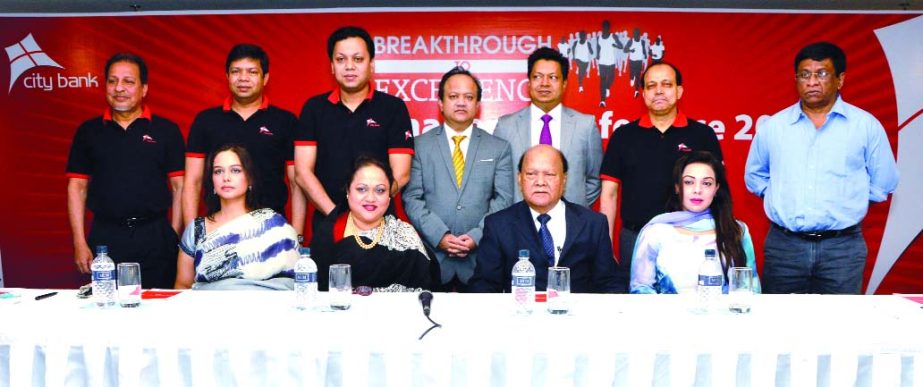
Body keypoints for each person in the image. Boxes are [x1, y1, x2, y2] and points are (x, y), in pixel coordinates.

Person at [745, 42, 899, 294]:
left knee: (839, 327)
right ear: (796, 80)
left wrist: (847, 200)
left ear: (840, 80)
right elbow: (754, 176)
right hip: (785, 247)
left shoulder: (865, 126)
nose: (812, 82)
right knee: (777, 325)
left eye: (822, 73)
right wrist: (782, 196)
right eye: (805, 74)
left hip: (842, 249)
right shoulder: (775, 126)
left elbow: (884, 182)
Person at [599, 62, 723, 293]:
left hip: (691, 239)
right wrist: (604, 248)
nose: (658, 91)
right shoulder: (624, 136)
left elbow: (718, 191)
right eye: (651, 85)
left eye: (666, 85)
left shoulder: (702, 135)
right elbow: (609, 194)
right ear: (643, 93)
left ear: (679, 91)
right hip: (635, 238)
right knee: (637, 309)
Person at [66, 53, 185, 289]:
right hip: (105, 239)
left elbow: (180, 186)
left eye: (128, 82)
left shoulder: (166, 131)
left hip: (155, 235)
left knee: (159, 309)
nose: (119, 88)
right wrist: (79, 242)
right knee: (109, 310)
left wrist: (173, 233)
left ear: (144, 89)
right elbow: (76, 187)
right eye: (112, 81)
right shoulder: (88, 132)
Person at [403, 67, 514, 292]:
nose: (461, 102)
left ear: (478, 105)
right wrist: (440, 235)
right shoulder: (419, 145)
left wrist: (476, 236)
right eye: (453, 96)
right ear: (441, 103)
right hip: (432, 259)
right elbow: (412, 198)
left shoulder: (498, 148)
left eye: (468, 97)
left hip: (480, 260)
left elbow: (503, 200)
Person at [295, 26, 414, 231]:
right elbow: (303, 172)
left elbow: (401, 174)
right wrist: (335, 215)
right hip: (329, 221)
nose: (349, 66)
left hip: (381, 223)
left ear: (372, 64)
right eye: (341, 60)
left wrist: (370, 209)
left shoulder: (393, 108)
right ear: (332, 66)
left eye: (358, 59)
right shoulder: (314, 108)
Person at [183, 44, 305, 238]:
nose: (243, 78)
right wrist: (193, 235)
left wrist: (297, 235)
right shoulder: (206, 121)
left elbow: (296, 182)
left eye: (252, 72)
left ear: (265, 78)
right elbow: (192, 182)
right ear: (227, 76)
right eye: (236, 71)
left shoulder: (285, 121)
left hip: (270, 230)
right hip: (218, 230)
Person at [469, 145, 620, 293]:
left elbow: (609, 282)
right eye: (531, 174)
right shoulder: (498, 225)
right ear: (520, 179)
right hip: (521, 314)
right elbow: (484, 285)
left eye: (550, 174)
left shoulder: (593, 224)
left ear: (564, 180)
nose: (540, 182)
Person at [631, 151, 760, 294]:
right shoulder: (655, 232)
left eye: (706, 183)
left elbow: (751, 288)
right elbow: (641, 289)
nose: (697, 190)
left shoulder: (737, 230)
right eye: (689, 182)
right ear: (677, 187)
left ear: (716, 188)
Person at [175, 145, 299, 290]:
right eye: (218, 171)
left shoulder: (275, 226)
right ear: (212, 181)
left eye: (235, 170)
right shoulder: (196, 230)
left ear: (249, 178)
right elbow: (183, 285)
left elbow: (291, 284)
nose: (226, 178)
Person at [494, 47, 603, 208]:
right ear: (529, 82)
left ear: (564, 83)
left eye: (552, 77)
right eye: (537, 77)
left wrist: (573, 209)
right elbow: (498, 180)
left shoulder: (585, 126)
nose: (544, 83)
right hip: (517, 221)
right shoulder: (506, 126)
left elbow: (594, 179)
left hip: (570, 222)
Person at [311, 156, 433, 292]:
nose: (370, 198)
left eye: (380, 190)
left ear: (389, 196)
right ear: (348, 191)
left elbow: (424, 292)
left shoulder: (405, 235)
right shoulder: (327, 234)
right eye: (361, 189)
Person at [597, 20, 623, 108]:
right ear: (602, 27)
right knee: (602, 80)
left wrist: (615, 46)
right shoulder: (599, 37)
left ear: (609, 28)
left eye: (607, 27)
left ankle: (607, 87)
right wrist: (597, 54)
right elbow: (598, 47)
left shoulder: (613, 36)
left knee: (611, 78)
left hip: (611, 61)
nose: (605, 28)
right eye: (604, 26)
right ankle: (602, 100)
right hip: (602, 62)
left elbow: (621, 46)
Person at [624, 28, 648, 98]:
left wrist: (645, 54)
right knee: (632, 74)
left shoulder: (642, 42)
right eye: (634, 34)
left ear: (639, 35)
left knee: (638, 76)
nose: (635, 36)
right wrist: (631, 50)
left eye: (637, 34)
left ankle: (636, 91)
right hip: (632, 61)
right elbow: (625, 50)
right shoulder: (631, 41)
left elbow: (643, 49)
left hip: (639, 61)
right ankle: (631, 78)